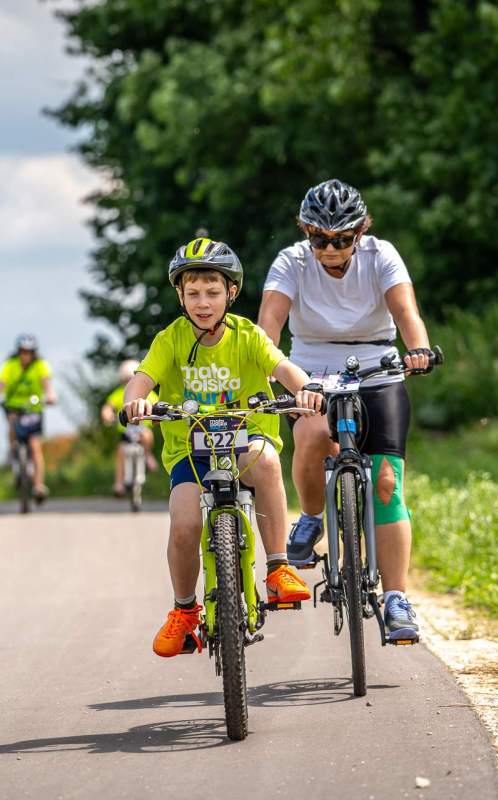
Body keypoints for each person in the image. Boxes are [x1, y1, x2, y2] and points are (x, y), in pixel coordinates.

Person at [121, 237, 324, 658]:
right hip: (191, 453)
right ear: (179, 295)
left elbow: (283, 367)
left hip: (246, 441)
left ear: (230, 293)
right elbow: (143, 378)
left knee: (267, 463)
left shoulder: (248, 335)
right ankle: (184, 611)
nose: (203, 302)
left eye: (213, 292)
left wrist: (306, 391)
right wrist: (135, 401)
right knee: (183, 525)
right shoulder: (170, 339)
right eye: (192, 293)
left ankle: (278, 567)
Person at [257, 179, 436, 643]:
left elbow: (406, 312)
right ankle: (313, 517)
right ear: (306, 233)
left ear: (360, 233)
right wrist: (262, 366)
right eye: (319, 238)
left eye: (341, 239)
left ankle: (396, 598)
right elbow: (269, 325)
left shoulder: (381, 255)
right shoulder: (292, 262)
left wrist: (417, 349)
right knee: (315, 437)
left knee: (386, 482)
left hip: (378, 365)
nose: (330, 249)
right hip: (312, 370)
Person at [0, 335, 56, 502]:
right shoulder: (10, 365)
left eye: (29, 352)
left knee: (35, 446)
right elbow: (1, 384)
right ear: (18, 352)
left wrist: (50, 395)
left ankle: (39, 485)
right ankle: (13, 455)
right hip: (13, 406)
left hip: (33, 408)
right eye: (23, 352)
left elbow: (46, 383)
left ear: (34, 353)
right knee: (12, 428)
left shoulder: (41, 366)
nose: (26, 355)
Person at [100, 358, 158, 496]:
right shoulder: (119, 393)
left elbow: (157, 404)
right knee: (120, 451)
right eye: (125, 380)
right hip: (126, 433)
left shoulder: (148, 394)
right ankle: (119, 484)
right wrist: (107, 415)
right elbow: (108, 407)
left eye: (130, 379)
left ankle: (147, 454)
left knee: (147, 436)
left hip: (142, 430)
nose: (128, 383)